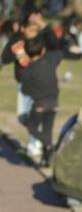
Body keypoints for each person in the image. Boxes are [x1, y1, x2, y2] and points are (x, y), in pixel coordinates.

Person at [13, 34, 63, 166]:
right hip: (54, 102)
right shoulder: (50, 59)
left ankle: (49, 146)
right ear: (43, 50)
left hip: (40, 103)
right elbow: (58, 52)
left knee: (32, 128)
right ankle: (46, 160)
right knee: (48, 129)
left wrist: (20, 59)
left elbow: (24, 90)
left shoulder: (28, 69)